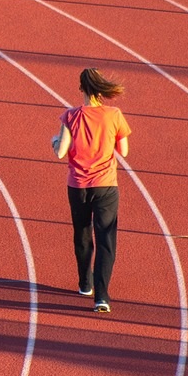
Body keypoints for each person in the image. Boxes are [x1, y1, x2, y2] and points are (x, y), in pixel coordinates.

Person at [51, 67, 131, 312]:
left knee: (82, 233)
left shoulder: (71, 116)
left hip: (78, 186)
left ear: (81, 89)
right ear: (101, 88)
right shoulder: (114, 114)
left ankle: (85, 283)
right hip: (106, 185)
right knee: (106, 239)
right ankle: (102, 296)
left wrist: (55, 140)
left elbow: (60, 151)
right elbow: (124, 151)